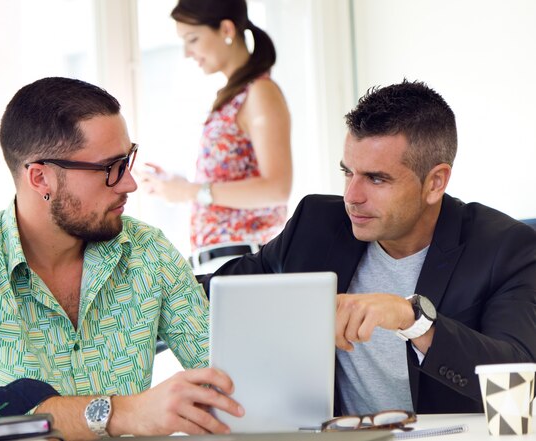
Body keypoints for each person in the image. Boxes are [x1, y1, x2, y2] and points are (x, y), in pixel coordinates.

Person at [0, 77, 244, 441]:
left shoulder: (148, 251)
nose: (129, 183)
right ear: (41, 178)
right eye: (110, 168)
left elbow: (229, 379)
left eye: (127, 160)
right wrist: (122, 413)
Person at [202, 80, 536, 415]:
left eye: (376, 179)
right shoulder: (315, 224)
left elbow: (519, 382)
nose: (352, 196)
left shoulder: (505, 249)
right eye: (348, 173)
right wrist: (154, 264)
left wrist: (413, 319)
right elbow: (219, 291)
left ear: (435, 182)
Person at [139, 0, 292, 273]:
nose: (187, 53)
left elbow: (277, 188)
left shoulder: (260, 93)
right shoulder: (236, 95)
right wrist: (180, 187)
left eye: (193, 39)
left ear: (226, 29)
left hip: (243, 261)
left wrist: (189, 191)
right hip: (225, 263)